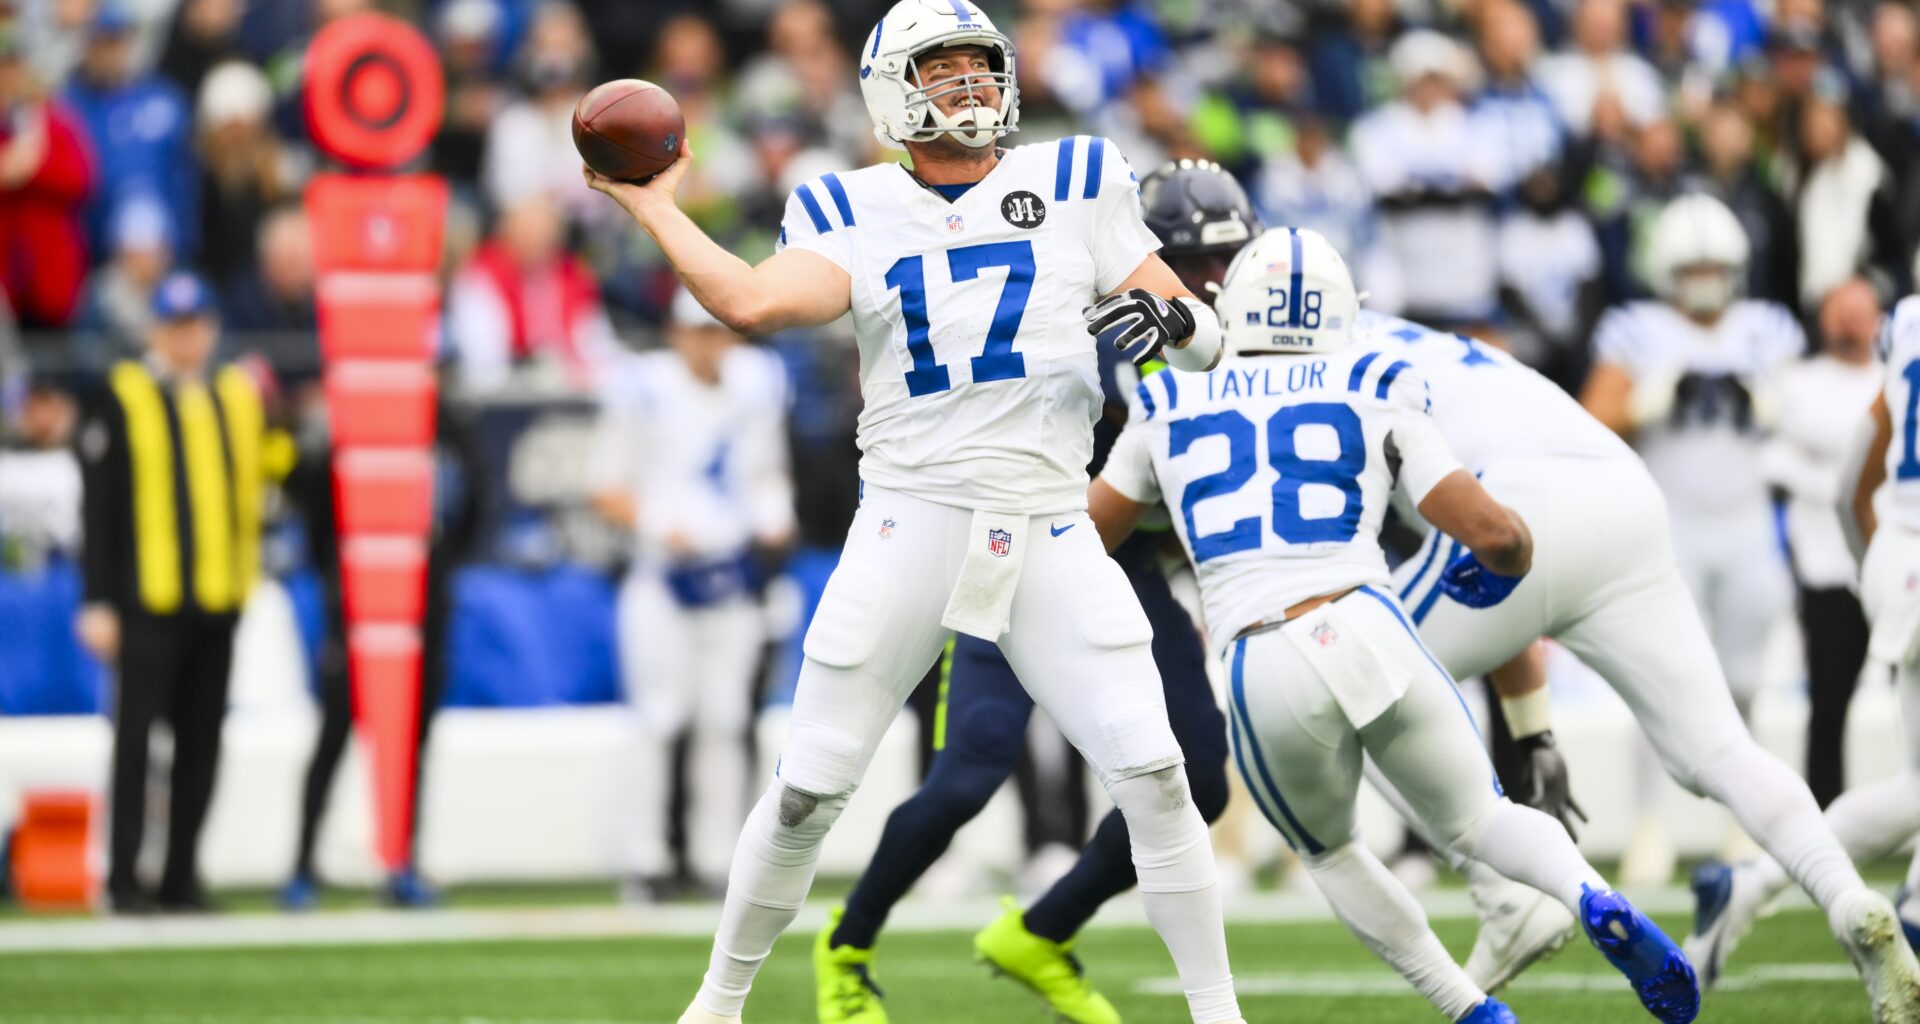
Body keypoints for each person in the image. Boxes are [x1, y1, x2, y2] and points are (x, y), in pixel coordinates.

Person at [582, 1, 1244, 1020]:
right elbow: (751, 301)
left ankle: (1218, 1014)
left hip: (1048, 520)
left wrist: (1175, 321)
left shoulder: (1080, 177)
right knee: (808, 788)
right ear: (894, 91)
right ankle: (716, 1005)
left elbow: (1204, 338)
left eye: (982, 63)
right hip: (911, 518)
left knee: (1156, 773)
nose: (971, 83)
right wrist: (655, 207)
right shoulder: (848, 205)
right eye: (943, 68)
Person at [1092, 226, 1698, 1024]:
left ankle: (1469, 1008)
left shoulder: (1165, 399)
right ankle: (1588, 892)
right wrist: (1508, 566)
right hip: (1368, 619)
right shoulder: (1373, 377)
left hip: (1260, 650)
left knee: (1331, 852)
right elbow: (1496, 534)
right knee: (1482, 819)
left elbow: (1090, 537)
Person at [1350, 305, 1920, 1019]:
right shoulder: (1424, 344)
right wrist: (1533, 731)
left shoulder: (1315, 374)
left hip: (1514, 503)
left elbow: (1490, 539)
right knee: (1722, 749)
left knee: (1349, 690)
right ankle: (1845, 897)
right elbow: (1498, 569)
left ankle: (1504, 898)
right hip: (1621, 492)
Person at [813, 159, 1253, 1024]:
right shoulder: (1094, 323)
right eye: (1192, 261)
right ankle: (848, 943)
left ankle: (1041, 932)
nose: (1209, 281)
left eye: (1224, 261)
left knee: (1198, 779)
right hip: (1026, 548)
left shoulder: (1222, 340)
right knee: (970, 769)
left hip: (1123, 569)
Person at [1693, 293, 1920, 984]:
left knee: (1917, 788)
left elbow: (1855, 481)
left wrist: (1880, 570)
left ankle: (1750, 886)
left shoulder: (1908, 321)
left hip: (1896, 557)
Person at [1579, 193, 1800, 881]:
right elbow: (1593, 415)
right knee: (1662, 682)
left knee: (1744, 684)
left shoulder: (1768, 327)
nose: (1704, 279)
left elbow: (1803, 411)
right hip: (1671, 529)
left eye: (1714, 267)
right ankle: (1652, 824)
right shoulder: (1635, 329)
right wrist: (1648, 400)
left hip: (1749, 525)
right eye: (1692, 268)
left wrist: (1768, 401)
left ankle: (1742, 823)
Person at [591, 289, 795, 903]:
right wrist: (662, 526)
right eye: (699, 331)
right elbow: (605, 487)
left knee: (725, 720)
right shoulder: (642, 388)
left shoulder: (756, 383)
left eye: (718, 331)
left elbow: (767, 472)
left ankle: (720, 858)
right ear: (676, 334)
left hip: (731, 576)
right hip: (663, 575)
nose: (711, 344)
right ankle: (645, 860)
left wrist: (773, 516)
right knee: (658, 718)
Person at [76, 272, 268, 913]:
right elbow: (98, 508)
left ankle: (181, 877)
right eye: (176, 327)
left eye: (197, 327)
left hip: (216, 597)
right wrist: (98, 599)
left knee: (201, 744)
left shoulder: (235, 395)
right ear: (156, 331)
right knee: (136, 745)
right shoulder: (123, 395)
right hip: (146, 602)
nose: (188, 340)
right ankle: (124, 878)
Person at [1766, 279, 1884, 807]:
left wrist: (1834, 467)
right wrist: (1847, 480)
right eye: (1841, 312)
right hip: (1826, 568)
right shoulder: (1798, 382)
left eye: (1861, 312)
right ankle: (1824, 816)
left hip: (1894, 565)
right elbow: (1775, 460)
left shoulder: (1894, 380)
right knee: (1829, 703)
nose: (1851, 323)